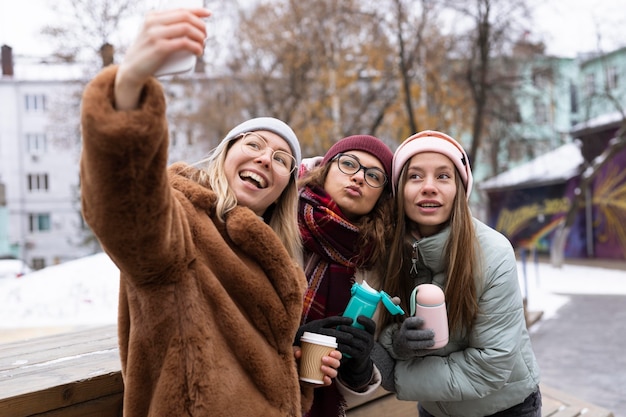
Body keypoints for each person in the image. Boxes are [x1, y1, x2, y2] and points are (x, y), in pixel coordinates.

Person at [79, 7, 340, 417]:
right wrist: (128, 86)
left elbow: (251, 372)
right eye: (252, 144)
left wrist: (300, 374)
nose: (264, 159)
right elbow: (123, 205)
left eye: (280, 158)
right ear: (225, 155)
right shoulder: (180, 223)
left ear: (282, 192)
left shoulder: (278, 264)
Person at [376, 130, 541, 417]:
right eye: (415, 176)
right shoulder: (390, 253)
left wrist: (398, 375)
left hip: (506, 408)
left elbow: (491, 365)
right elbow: (386, 325)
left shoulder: (493, 254)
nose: (428, 187)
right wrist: (399, 343)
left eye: (443, 176)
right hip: (435, 409)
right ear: (399, 190)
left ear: (460, 189)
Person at [294, 135, 395, 417]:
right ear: (325, 168)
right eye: (349, 163)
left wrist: (359, 368)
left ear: (382, 195)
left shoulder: (379, 261)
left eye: (374, 175)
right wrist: (291, 341)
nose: (359, 178)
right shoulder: (281, 221)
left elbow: (362, 378)